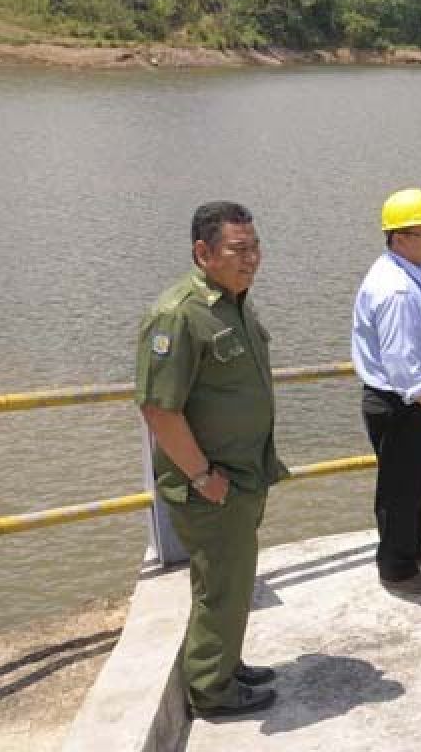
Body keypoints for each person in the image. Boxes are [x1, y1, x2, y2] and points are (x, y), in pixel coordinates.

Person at [135, 201, 287, 718]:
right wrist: (203, 476)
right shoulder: (178, 314)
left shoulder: (233, 303)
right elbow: (158, 409)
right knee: (223, 584)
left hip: (243, 477)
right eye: (238, 250)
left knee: (226, 580)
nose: (252, 260)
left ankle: (223, 661)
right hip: (213, 486)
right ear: (203, 253)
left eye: (255, 248)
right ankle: (212, 691)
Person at [351, 188, 421, 596]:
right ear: (399, 238)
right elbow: (400, 363)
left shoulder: (408, 275)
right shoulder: (396, 289)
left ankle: (415, 545)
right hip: (404, 404)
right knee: (402, 488)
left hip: (416, 403)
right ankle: (397, 567)